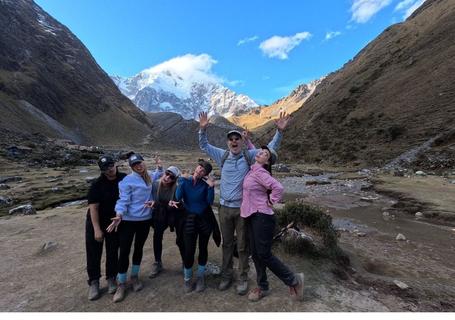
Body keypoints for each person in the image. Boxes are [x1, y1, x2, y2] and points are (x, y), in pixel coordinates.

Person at [198, 111, 291, 295]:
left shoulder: (249, 155)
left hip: (242, 209)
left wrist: (279, 132)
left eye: (237, 138)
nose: (234, 141)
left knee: (242, 245)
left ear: (241, 141)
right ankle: (226, 276)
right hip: (224, 208)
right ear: (227, 142)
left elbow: (269, 150)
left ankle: (242, 278)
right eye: (231, 139)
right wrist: (202, 129)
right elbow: (204, 145)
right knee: (226, 244)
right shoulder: (221, 155)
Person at [241, 146, 304, 302]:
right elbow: (255, 150)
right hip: (252, 215)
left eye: (265, 154)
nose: (261, 153)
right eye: (260, 152)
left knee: (264, 254)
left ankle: (294, 280)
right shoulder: (254, 169)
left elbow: (278, 187)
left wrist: (271, 200)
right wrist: (248, 140)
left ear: (267, 161)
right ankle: (263, 286)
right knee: (255, 254)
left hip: (262, 216)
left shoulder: (261, 172)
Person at [106, 153, 162, 303]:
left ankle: (135, 277)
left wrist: (160, 166)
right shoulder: (127, 181)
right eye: (135, 164)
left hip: (144, 220)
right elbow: (123, 200)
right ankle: (121, 283)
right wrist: (119, 214)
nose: (139, 166)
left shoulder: (148, 175)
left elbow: (158, 175)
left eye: (140, 163)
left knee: (139, 248)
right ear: (131, 167)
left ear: (143, 162)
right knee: (124, 251)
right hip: (129, 221)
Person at [170, 160, 218, 293]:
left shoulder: (205, 184)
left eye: (203, 170)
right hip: (189, 220)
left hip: (204, 220)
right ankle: (187, 278)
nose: (200, 170)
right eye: (199, 167)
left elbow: (209, 201)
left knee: (203, 248)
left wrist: (211, 187)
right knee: (189, 250)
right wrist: (181, 182)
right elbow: (178, 197)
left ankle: (201, 277)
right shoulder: (185, 181)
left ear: (205, 174)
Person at [85, 155, 126, 301]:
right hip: (96, 221)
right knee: (94, 251)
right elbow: (93, 208)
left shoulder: (124, 178)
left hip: (114, 221)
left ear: (115, 164)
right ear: (102, 170)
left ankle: (111, 278)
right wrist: (96, 229)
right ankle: (94, 282)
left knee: (112, 249)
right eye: (106, 168)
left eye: (111, 166)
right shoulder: (97, 184)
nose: (110, 170)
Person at [146, 166, 185, 278]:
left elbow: (181, 202)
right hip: (160, 213)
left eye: (171, 177)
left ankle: (185, 262)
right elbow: (152, 199)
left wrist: (176, 204)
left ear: (175, 180)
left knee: (180, 238)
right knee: (157, 236)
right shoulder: (155, 185)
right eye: (167, 173)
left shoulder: (177, 187)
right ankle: (157, 262)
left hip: (174, 214)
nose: (167, 177)